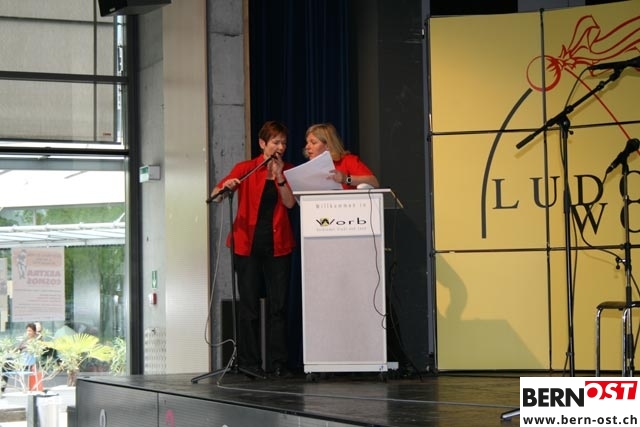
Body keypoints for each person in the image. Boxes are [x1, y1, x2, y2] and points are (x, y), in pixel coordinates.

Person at [209, 120, 296, 379]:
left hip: (278, 245)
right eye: (275, 142)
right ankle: (250, 362)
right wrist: (226, 187)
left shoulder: (289, 170)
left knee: (279, 306)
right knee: (248, 306)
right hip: (246, 245)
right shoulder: (246, 168)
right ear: (262, 144)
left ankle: (279, 362)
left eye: (283, 142)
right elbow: (216, 194)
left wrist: (279, 176)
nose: (280, 147)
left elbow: (290, 204)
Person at [304, 123, 380, 189]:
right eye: (307, 143)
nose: (307, 147)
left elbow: (374, 182)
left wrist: (346, 179)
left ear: (328, 145)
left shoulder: (347, 160)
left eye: (313, 143)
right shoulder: (308, 168)